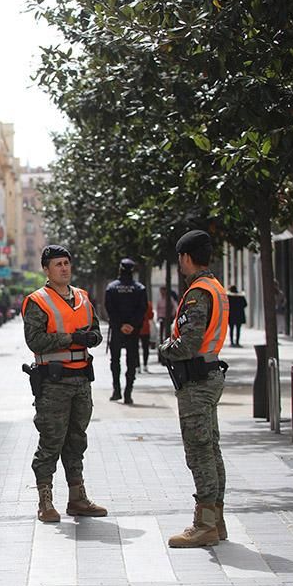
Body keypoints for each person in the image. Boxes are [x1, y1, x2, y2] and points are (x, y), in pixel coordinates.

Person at [22, 245, 107, 523]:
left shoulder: (82, 296)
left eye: (67, 263)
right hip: (54, 382)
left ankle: (77, 497)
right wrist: (71, 338)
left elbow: (95, 329)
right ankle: (45, 500)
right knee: (51, 440)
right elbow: (35, 340)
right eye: (58, 264)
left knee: (76, 440)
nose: (64, 268)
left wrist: (91, 338)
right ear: (46, 270)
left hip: (81, 379)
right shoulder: (38, 301)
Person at [159, 230, 230, 548]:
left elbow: (186, 344)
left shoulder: (198, 292)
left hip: (197, 381)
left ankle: (205, 525)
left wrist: (163, 348)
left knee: (200, 452)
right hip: (210, 374)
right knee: (211, 450)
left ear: (185, 258)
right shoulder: (216, 287)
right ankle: (217, 520)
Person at [105, 258, 147, 404]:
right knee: (131, 361)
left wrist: (120, 325)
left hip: (117, 330)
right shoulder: (140, 288)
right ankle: (128, 393)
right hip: (133, 332)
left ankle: (116, 390)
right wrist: (132, 325)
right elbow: (142, 310)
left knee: (115, 361)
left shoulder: (111, 288)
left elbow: (110, 310)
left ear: (120, 270)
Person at [138, 298, 154, 372]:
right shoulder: (148, 304)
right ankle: (145, 364)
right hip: (145, 328)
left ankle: (137, 366)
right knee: (145, 347)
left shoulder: (134, 302)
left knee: (135, 348)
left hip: (136, 328)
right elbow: (151, 316)